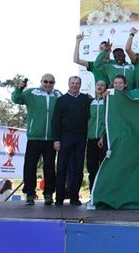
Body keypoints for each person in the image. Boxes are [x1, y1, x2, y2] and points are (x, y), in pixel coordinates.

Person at [11, 74, 62, 206]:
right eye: (45, 81)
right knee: (30, 166)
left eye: (51, 82)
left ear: (54, 83)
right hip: (34, 137)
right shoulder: (32, 92)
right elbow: (16, 99)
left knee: (50, 167)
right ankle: (29, 194)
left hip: (51, 138)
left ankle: (48, 194)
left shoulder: (58, 95)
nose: (48, 84)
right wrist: (19, 88)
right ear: (41, 82)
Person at [52, 76, 92, 206]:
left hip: (81, 138)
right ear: (68, 84)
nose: (75, 85)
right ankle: (59, 198)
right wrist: (56, 140)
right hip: (65, 137)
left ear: (80, 85)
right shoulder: (61, 100)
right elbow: (56, 121)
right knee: (62, 168)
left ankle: (74, 197)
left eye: (77, 83)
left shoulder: (86, 99)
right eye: (73, 83)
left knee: (78, 168)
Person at [87, 80, 107, 192]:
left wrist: (103, 136)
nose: (100, 86)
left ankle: (102, 192)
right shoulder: (90, 102)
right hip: (90, 139)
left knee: (103, 167)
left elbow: (108, 121)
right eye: (98, 85)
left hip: (102, 139)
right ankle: (92, 193)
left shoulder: (107, 102)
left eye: (102, 85)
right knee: (91, 167)